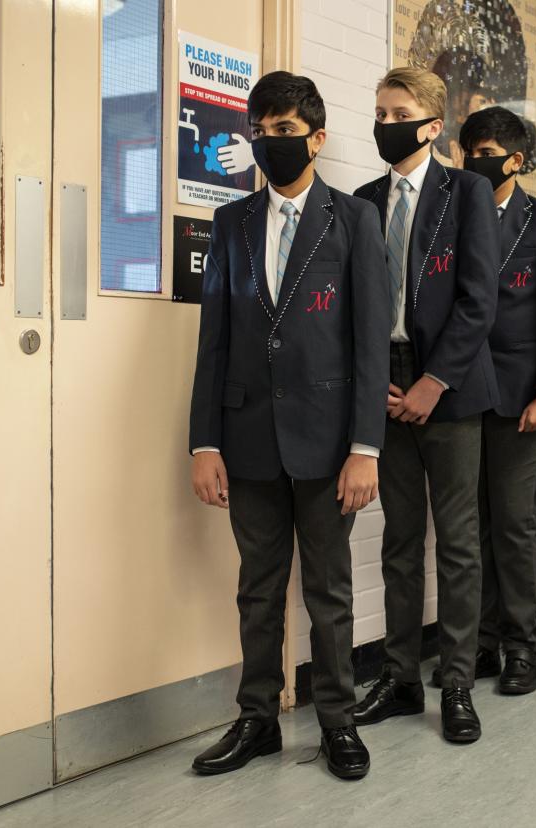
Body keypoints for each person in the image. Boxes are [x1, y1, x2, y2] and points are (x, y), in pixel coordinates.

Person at [187, 72, 388, 779]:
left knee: (328, 590)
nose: (270, 142)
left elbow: (370, 343)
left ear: (316, 137)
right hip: (246, 441)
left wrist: (366, 448)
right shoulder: (231, 223)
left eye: (282, 131)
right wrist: (204, 441)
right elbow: (214, 340)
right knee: (257, 588)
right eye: (260, 131)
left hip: (331, 445)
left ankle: (336, 720)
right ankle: (257, 719)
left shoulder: (356, 221)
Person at [350, 66, 500, 745]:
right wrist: (377, 380)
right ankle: (401, 677)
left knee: (459, 543)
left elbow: (478, 299)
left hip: (450, 384)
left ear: (432, 124)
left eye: (398, 112)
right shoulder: (361, 200)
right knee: (399, 540)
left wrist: (433, 382)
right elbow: (357, 307)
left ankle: (458, 681)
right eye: (379, 111)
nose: (385, 123)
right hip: (386, 382)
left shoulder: (467, 192)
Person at [459, 106, 536, 696]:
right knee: (467, 527)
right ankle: (476, 644)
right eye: (467, 150)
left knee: (513, 522)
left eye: (483, 152)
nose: (471, 162)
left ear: (514, 159)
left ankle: (519, 646)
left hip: (521, 398)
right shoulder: (453, 211)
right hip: (461, 392)